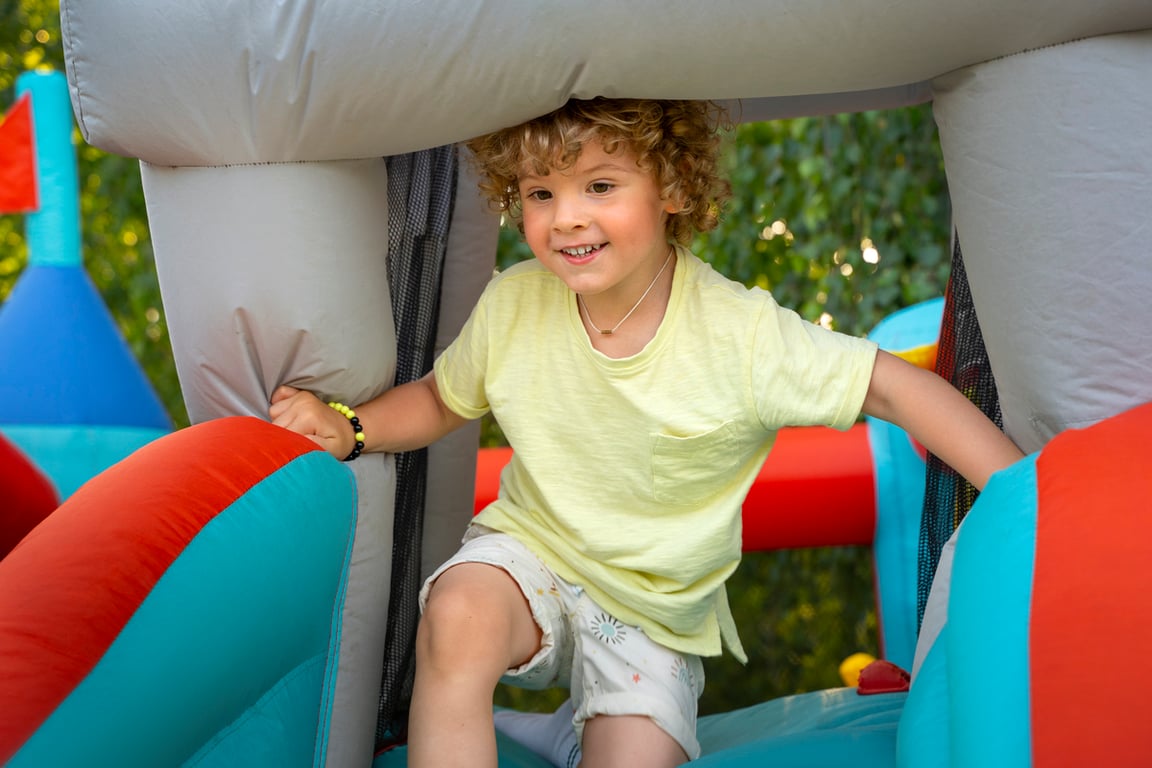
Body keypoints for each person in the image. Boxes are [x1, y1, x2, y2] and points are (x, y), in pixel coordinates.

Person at [269, 98, 1024, 768]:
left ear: (671, 187)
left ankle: (577, 732)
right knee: (455, 616)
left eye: (599, 185)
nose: (565, 216)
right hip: (533, 554)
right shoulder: (515, 304)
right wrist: (353, 427)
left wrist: (1028, 491)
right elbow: (442, 396)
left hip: (654, 611)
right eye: (540, 193)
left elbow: (893, 387)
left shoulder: (739, 335)